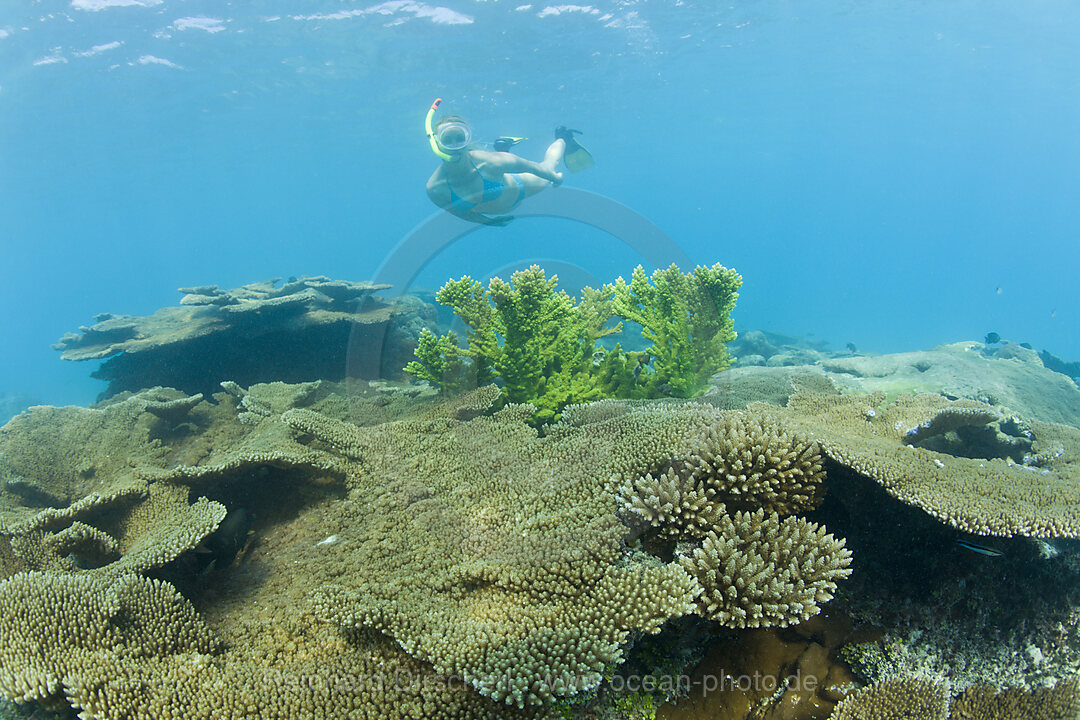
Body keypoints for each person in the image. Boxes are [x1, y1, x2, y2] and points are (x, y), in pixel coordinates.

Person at [423, 99, 591, 227]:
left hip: (520, 188)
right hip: (502, 192)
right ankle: (503, 146)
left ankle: (563, 137)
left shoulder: (491, 162)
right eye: (447, 140)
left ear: (468, 140)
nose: (454, 146)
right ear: (436, 143)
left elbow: (533, 167)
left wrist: (555, 178)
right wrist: (488, 222)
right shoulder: (436, 188)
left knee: (549, 165)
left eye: (460, 138)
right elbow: (460, 213)